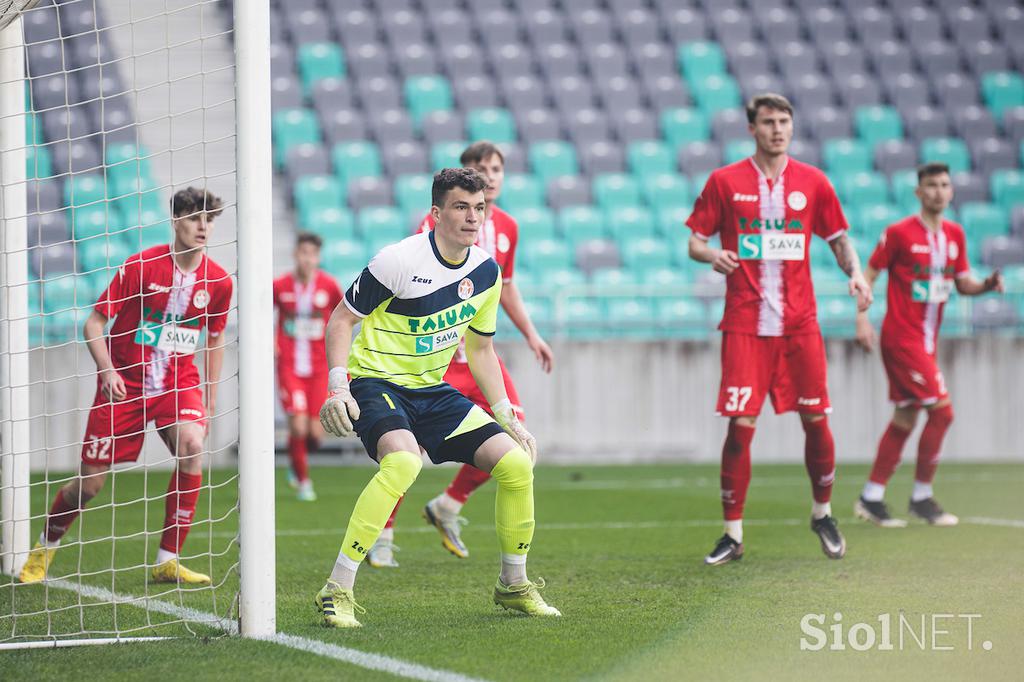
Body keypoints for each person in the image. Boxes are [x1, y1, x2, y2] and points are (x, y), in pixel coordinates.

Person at [314, 168, 560, 627]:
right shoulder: (398, 260)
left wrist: (508, 416)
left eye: (479, 207)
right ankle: (337, 589)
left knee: (516, 463)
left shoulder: (487, 271)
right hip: (376, 385)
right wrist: (337, 385)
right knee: (404, 463)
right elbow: (340, 321)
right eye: (461, 207)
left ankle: (513, 585)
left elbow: (481, 349)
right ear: (436, 213)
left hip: (432, 391)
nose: (473, 217)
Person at [686, 93, 872, 566]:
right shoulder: (725, 181)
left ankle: (823, 513)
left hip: (799, 325)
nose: (777, 129)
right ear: (752, 128)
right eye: (767, 121)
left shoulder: (813, 182)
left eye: (784, 121)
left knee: (817, 420)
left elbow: (837, 238)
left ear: (792, 126)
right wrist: (713, 256)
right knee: (741, 426)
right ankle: (733, 534)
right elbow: (695, 242)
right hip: (746, 324)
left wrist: (854, 272)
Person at [19, 187, 232, 585]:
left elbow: (216, 337)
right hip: (125, 385)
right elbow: (93, 324)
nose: (202, 227)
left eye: (209, 219)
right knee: (89, 484)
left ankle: (168, 559)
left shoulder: (218, 281)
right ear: (176, 221)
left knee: (192, 446)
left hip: (177, 384)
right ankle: (44, 547)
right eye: (193, 218)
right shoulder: (139, 266)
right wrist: (106, 370)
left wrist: (211, 394)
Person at [367, 141, 554, 568]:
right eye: (481, 167)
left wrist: (531, 334)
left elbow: (506, 287)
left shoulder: (507, 227)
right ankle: (384, 536)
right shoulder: (435, 226)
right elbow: (418, 283)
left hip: (480, 353)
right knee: (404, 448)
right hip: (437, 357)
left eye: (496, 168)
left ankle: (449, 505)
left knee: (514, 435)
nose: (490, 175)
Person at [853, 162, 1004, 527]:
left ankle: (871, 497)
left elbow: (962, 284)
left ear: (952, 192)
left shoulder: (955, 235)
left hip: (927, 341)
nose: (939, 191)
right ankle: (921, 496)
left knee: (906, 417)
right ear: (918, 192)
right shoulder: (899, 233)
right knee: (942, 412)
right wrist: (862, 319)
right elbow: (869, 274)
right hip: (901, 339)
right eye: (931, 185)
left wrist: (986, 284)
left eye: (945, 185)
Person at [273, 232, 344, 501]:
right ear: (295, 254)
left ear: (318, 257)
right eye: (303, 253)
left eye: (312, 254)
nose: (307, 259)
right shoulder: (280, 286)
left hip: (318, 368)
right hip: (290, 367)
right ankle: (303, 481)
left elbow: (344, 315)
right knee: (299, 427)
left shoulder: (328, 285)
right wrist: (271, 339)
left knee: (315, 434)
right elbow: (259, 311)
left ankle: (295, 458)